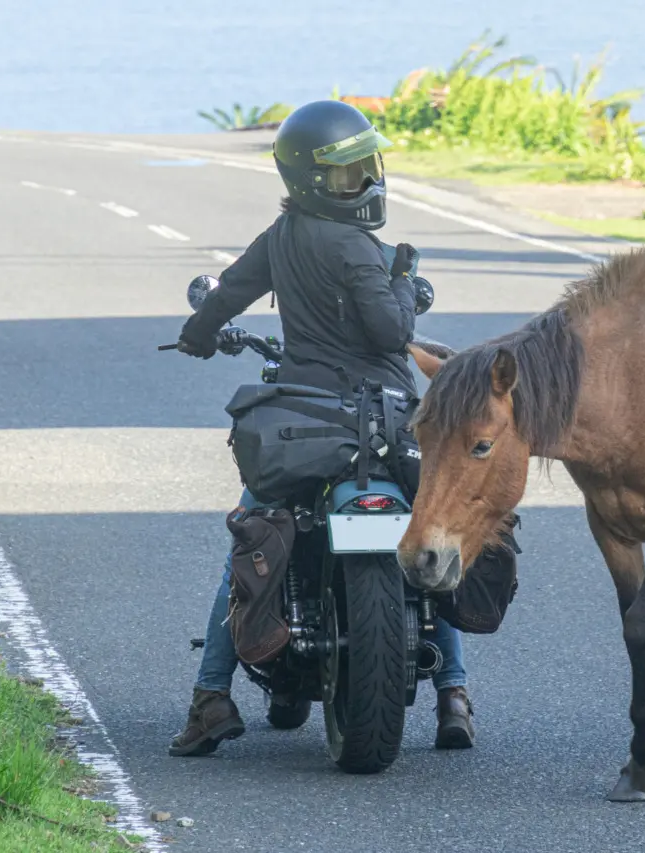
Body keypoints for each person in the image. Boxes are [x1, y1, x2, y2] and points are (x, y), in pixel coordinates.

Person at [167, 99, 475, 758]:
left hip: (309, 412)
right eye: (345, 175)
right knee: (429, 533)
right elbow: (391, 332)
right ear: (310, 179)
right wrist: (402, 285)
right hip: (389, 413)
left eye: (363, 169)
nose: (362, 183)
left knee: (254, 535)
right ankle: (453, 688)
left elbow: (224, 298)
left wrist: (196, 336)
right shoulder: (364, 251)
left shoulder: (279, 239)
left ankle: (210, 695)